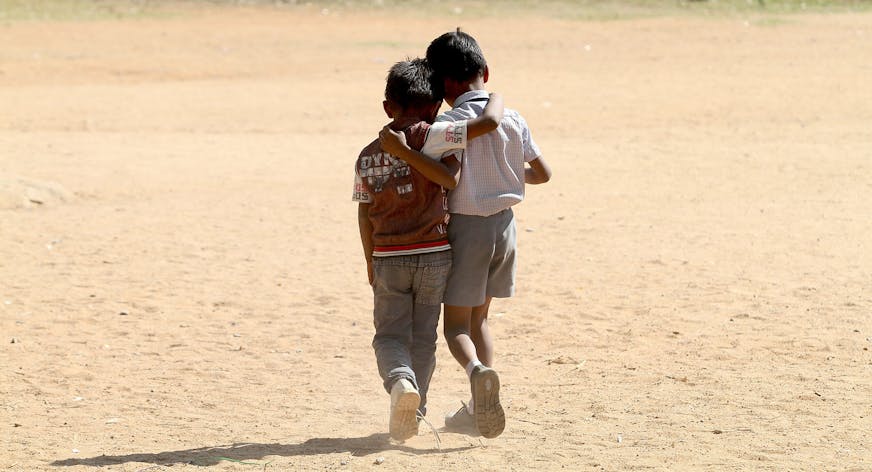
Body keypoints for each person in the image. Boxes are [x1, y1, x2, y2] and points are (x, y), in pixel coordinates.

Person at [381, 30, 552, 439]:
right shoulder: (514, 117)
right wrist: (507, 177)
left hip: (469, 231)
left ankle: (476, 371)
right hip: (506, 227)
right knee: (481, 320)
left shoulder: (448, 125)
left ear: (443, 85)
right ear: (485, 72)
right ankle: (478, 407)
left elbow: (438, 173)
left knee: (455, 326)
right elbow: (542, 173)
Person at [353, 57, 505, 442]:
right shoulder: (438, 134)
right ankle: (415, 413)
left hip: (388, 257)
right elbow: (461, 162)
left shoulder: (367, 154)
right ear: (437, 105)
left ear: (388, 106)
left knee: (389, 336)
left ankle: (401, 384)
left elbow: (363, 211)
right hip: (436, 254)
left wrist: (369, 258)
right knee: (424, 338)